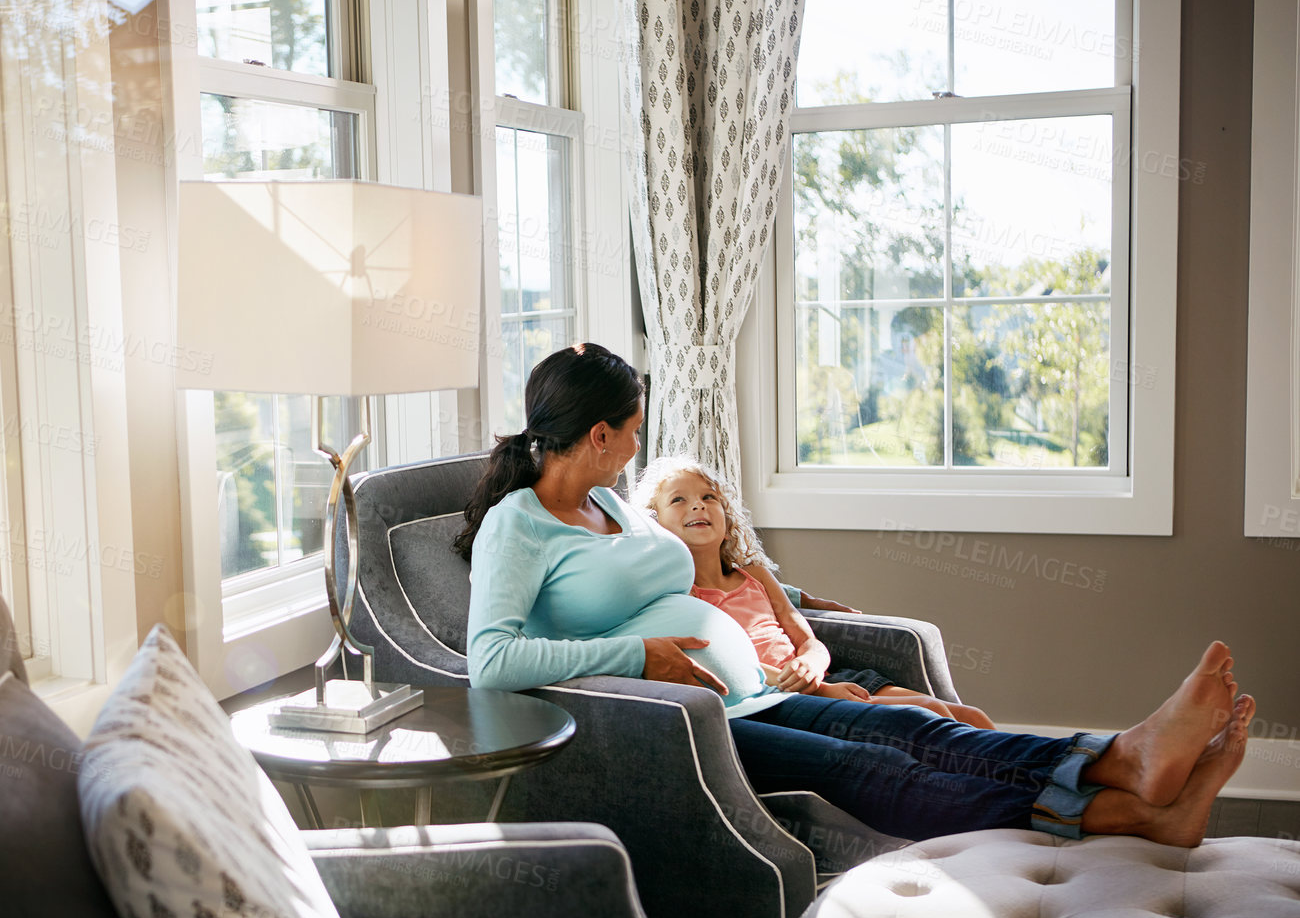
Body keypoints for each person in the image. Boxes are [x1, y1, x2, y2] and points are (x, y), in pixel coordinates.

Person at [456, 343, 1254, 847]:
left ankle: (1121, 761)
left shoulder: (609, 505)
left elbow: (676, 579)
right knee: (868, 765)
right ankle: (1124, 811)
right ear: (598, 436)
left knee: (909, 727)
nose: (637, 447)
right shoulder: (516, 528)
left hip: (748, 698)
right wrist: (638, 654)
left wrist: (795, 603)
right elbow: (490, 661)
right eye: (631, 431)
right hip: (671, 731)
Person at [633, 454, 995, 728]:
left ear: (728, 521)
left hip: (822, 675)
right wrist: (815, 688)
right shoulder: (681, 596)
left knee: (965, 715)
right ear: (655, 526)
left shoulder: (755, 574)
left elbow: (807, 639)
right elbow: (727, 666)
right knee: (926, 717)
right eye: (678, 500)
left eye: (709, 497)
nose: (697, 504)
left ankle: (1037, 798)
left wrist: (813, 663)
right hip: (776, 694)